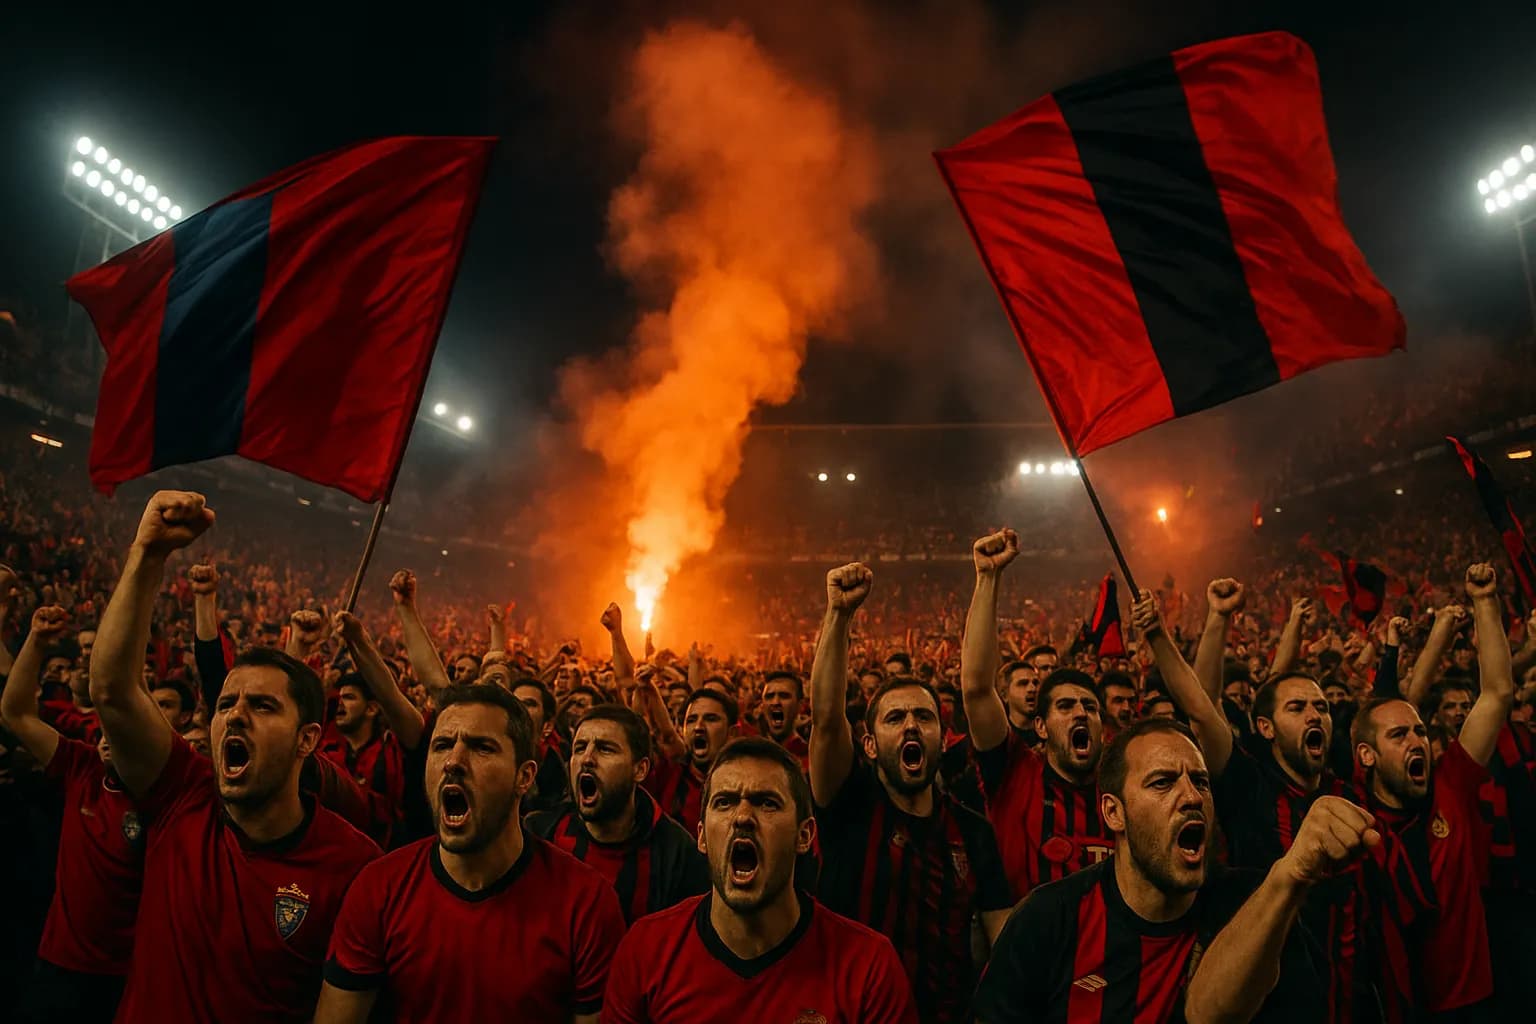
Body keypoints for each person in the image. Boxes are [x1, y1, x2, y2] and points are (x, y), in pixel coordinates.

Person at [88, 491, 380, 1024]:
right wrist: (146, 555)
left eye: (263, 705)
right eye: (226, 704)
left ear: (308, 740)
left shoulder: (354, 866)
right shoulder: (182, 795)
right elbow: (111, 690)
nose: (236, 715)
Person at [1136, 587, 1386, 1024]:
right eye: (1297, 707)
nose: (1314, 716)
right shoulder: (1247, 783)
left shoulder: (1347, 789)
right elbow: (1201, 706)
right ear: (1265, 728)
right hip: (1268, 1000)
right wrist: (1171, 630)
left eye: (1321, 708)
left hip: (1352, 994)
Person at [976, 718, 1331, 1023]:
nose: (1192, 797)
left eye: (1201, 782)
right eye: (1162, 782)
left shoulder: (1255, 908)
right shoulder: (1048, 919)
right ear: (1114, 813)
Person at [317, 683, 625, 1022]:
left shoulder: (586, 903)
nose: (453, 762)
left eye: (481, 747)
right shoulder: (379, 889)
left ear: (524, 777)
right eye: (443, 745)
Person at [811, 561, 1012, 1024]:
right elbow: (825, 719)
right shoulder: (849, 804)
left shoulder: (972, 830)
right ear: (869, 745)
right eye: (894, 718)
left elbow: (1003, 941)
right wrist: (838, 616)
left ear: (943, 738)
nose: (910, 726)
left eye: (923, 718)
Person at [602, 738, 917, 1023]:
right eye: (724, 802)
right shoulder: (646, 951)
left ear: (804, 835)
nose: (742, 817)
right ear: (701, 837)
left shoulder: (868, 968)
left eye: (767, 803)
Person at [1352, 563, 1516, 1019]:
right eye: (1399, 735)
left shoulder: (1451, 783)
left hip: (1475, 1003)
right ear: (1366, 756)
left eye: (1420, 731)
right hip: (1401, 1008)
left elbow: (1498, 693)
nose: (1416, 741)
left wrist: (1485, 602)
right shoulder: (1354, 820)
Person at [1, 604, 142, 1022]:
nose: (105, 737)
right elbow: (16, 713)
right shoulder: (81, 767)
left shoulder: (165, 795)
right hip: (58, 965)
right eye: (101, 729)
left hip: (127, 973)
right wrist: (38, 641)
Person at [959, 530, 1112, 900]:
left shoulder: (1123, 793)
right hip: (1034, 957)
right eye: (1065, 705)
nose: (1080, 712)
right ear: (1039, 726)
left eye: (1089, 707)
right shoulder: (1017, 774)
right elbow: (978, 689)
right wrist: (987, 577)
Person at [527, 703, 709, 924]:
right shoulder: (539, 833)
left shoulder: (678, 855)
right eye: (580, 748)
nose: (587, 759)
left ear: (640, 769)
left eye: (605, 749)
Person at [641, 687, 739, 838]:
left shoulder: (747, 784)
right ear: (683, 730)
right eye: (691, 720)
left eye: (710, 719)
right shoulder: (668, 776)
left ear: (732, 733)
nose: (699, 727)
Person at [757, 670, 809, 768]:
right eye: (769, 696)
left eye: (784, 696)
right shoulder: (752, 756)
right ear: (762, 706)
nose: (776, 702)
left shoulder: (810, 759)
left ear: (800, 706)